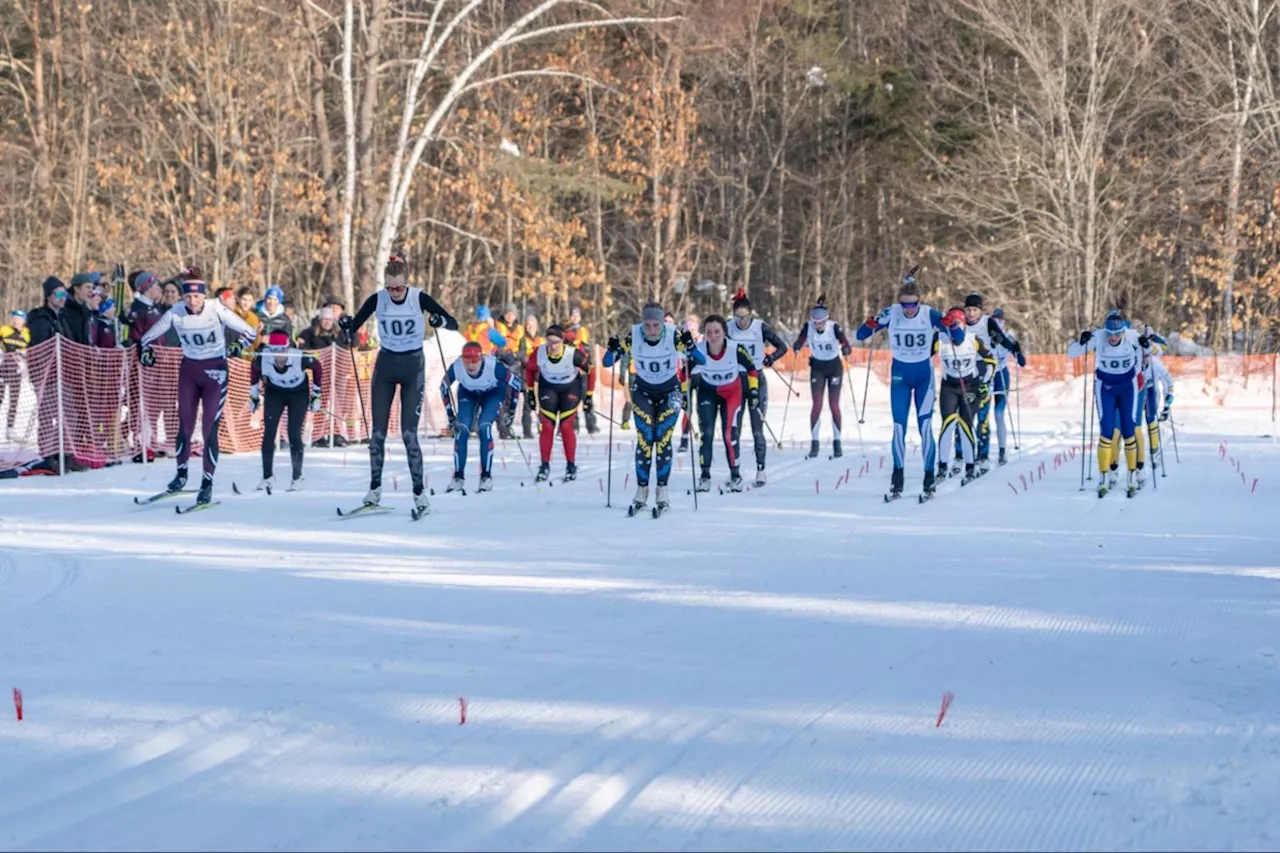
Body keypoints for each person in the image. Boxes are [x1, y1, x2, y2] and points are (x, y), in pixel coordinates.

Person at [338, 254, 459, 514]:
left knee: (409, 434)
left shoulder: (419, 298)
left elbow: (453, 322)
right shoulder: (377, 299)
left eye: (399, 287)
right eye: (390, 287)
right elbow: (351, 330)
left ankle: (419, 494)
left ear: (407, 283)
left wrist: (438, 320)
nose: (394, 292)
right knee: (377, 435)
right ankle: (374, 491)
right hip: (385, 366)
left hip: (413, 366)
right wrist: (346, 326)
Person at [139, 279, 258, 506]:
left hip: (215, 372)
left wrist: (237, 346)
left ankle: (207, 482)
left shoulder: (217, 309)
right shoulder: (176, 312)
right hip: (190, 371)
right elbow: (146, 338)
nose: (192, 301)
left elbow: (250, 333)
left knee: (208, 429)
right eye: (188, 297)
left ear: (204, 296)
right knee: (184, 425)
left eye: (196, 297)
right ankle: (181, 474)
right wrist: (145, 352)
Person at [856, 272, 963, 500]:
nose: (909, 309)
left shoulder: (929, 314)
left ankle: (928, 478)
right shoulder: (892, 313)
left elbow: (959, 338)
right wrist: (871, 323)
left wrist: (951, 325)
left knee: (925, 427)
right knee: (898, 428)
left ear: (920, 301)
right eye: (905, 304)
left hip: (924, 377)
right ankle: (897, 479)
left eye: (913, 304)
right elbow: (861, 334)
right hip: (900, 378)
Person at [602, 301, 704, 514]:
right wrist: (611, 349)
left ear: (662, 324)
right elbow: (607, 362)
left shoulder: (673, 336)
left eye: (656, 325)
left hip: (670, 392)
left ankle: (662, 490)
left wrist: (691, 346)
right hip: (643, 392)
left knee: (662, 438)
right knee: (645, 439)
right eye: (647, 325)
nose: (651, 330)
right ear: (642, 323)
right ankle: (641, 489)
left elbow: (700, 360)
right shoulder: (634, 336)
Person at [1068, 310, 1146, 497]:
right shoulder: (1098, 337)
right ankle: (1104, 476)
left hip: (1128, 386)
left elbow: (1151, 349)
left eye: (1117, 334)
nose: (1113, 338)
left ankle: (1132, 475)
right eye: (1110, 334)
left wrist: (1146, 344)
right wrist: (1081, 340)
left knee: (1129, 428)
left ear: (1123, 331)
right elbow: (1072, 353)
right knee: (1107, 431)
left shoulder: (1131, 336)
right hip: (1106, 388)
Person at [954, 293, 1025, 471]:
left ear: (980, 311)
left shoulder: (987, 322)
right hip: (965, 371)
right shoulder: (960, 322)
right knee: (961, 414)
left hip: (985, 371)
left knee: (983, 415)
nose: (971, 314)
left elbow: (1002, 338)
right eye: (968, 309)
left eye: (974, 310)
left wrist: (1015, 351)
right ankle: (959, 454)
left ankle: (983, 455)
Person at [725, 288, 788, 486]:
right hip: (735, 381)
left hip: (756, 380)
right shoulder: (727, 327)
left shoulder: (761, 327)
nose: (742, 323)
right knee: (733, 428)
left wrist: (770, 358)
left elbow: (782, 347)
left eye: (746, 318)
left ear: (752, 315)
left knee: (757, 428)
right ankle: (734, 471)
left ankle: (761, 470)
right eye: (738, 318)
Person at [249, 330, 324, 492]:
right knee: (269, 432)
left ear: (287, 347)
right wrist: (254, 395)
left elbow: (317, 367)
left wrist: (317, 394)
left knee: (293, 433)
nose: (278, 355)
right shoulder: (263, 358)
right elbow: (254, 370)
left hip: (298, 393)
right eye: (274, 350)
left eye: (282, 350)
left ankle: (297, 477)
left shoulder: (299, 357)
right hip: (275, 392)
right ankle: (267, 477)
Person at [691, 314, 758, 492]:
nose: (713, 336)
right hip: (708, 391)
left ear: (724, 332)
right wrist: (684, 393)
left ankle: (735, 475)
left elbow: (751, 369)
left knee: (730, 435)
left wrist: (753, 391)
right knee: (707, 434)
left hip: (732, 392)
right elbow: (685, 371)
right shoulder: (698, 349)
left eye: (717, 332)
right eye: (709, 332)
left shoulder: (735, 348)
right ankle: (705, 476)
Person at [441, 341, 519, 493]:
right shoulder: (457, 366)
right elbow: (443, 388)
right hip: (468, 393)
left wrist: (512, 410)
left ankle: (486, 477)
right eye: (466, 361)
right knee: (462, 429)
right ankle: (458, 478)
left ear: (481, 359)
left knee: (484, 427)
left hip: (493, 392)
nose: (470, 366)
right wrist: (451, 415)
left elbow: (516, 383)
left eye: (474, 362)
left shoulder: (493, 366)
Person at [935, 306, 997, 490]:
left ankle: (970, 467)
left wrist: (985, 382)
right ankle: (942, 466)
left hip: (970, 386)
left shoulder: (972, 340)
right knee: (947, 425)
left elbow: (991, 361)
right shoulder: (940, 340)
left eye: (960, 325)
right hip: (949, 386)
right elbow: (923, 357)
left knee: (965, 426)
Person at [524, 323, 594, 483]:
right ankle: (544, 465)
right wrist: (530, 392)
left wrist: (589, 395)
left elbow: (591, 371)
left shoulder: (573, 354)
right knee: (547, 426)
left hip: (571, 388)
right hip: (548, 388)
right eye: (550, 342)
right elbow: (529, 370)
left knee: (565, 426)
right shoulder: (539, 352)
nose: (553, 346)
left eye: (556, 342)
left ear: (563, 341)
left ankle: (571, 465)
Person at [790, 295, 853, 459]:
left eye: (822, 322)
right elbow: (800, 339)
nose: (819, 325)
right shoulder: (808, 327)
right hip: (817, 368)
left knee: (833, 404)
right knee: (817, 404)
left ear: (826, 320)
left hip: (834, 368)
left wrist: (846, 349)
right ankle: (814, 444)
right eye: (816, 322)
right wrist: (797, 345)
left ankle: (837, 443)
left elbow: (846, 343)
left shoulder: (834, 327)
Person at [989, 307, 1028, 465]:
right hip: (986, 375)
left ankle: (1002, 450)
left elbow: (1022, 362)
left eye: (1000, 321)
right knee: (981, 415)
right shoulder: (985, 335)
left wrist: (1017, 350)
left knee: (999, 414)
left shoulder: (1008, 337)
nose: (998, 324)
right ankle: (978, 452)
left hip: (1001, 375)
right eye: (995, 321)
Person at [566, 304, 599, 435]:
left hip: (582, 368)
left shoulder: (584, 331)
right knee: (572, 398)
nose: (575, 318)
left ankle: (591, 424)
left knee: (586, 397)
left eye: (577, 315)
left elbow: (588, 348)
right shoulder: (566, 331)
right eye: (573, 315)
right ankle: (574, 425)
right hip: (570, 369)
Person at [1, 310, 30, 439]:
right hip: (2, 367)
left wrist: (23, 357)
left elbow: (28, 350)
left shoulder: (27, 334)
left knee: (14, 399)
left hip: (16, 369)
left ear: (23, 320)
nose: (16, 321)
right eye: (14, 318)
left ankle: (10, 428)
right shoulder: (4, 329)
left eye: (19, 318)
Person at [515, 313, 545, 439]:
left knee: (542, 404)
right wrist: (531, 363)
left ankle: (543, 428)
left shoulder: (542, 340)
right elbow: (521, 355)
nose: (530, 327)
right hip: (528, 376)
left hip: (541, 376)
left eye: (532, 325)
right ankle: (527, 431)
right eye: (528, 325)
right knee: (528, 404)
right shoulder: (523, 340)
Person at [61, 272, 98, 346]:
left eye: (92, 288)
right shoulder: (64, 310)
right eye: (87, 287)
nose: (91, 291)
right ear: (77, 289)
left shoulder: (86, 310)